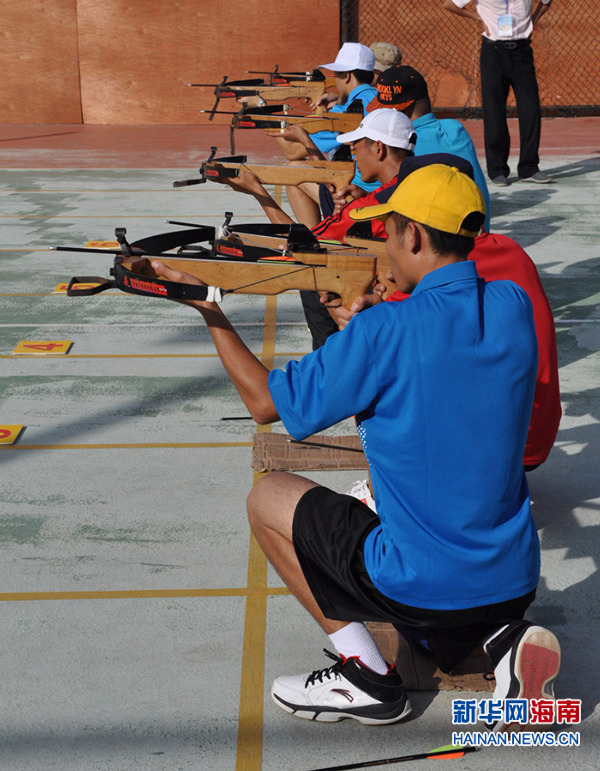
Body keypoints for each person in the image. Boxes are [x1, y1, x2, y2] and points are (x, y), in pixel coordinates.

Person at [151, 162, 561, 728]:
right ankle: (503, 642)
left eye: (386, 231)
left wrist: (209, 310)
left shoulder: (383, 333)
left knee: (268, 498)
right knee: (400, 504)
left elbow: (267, 404)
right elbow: (443, 367)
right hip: (513, 579)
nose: (383, 247)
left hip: (422, 583)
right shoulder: (512, 307)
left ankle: (365, 675)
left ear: (412, 235)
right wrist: (372, 325)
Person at [207, 108, 417, 349]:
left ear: (379, 148)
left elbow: (301, 242)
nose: (352, 155)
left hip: (391, 303)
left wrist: (257, 192)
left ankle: (326, 353)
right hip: (418, 296)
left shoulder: (369, 206)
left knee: (312, 270)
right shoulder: (415, 182)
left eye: (355, 145)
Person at [363, 65, 491, 231]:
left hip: (444, 248)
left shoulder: (403, 145)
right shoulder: (456, 128)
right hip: (477, 237)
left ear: (404, 110)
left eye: (386, 113)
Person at [443, 0, 553, 186]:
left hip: (522, 51)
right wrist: (477, 17)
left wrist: (533, 20)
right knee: (494, 110)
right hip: (493, 51)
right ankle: (497, 170)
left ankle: (529, 167)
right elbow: (449, 4)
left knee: (531, 109)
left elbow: (546, 2)